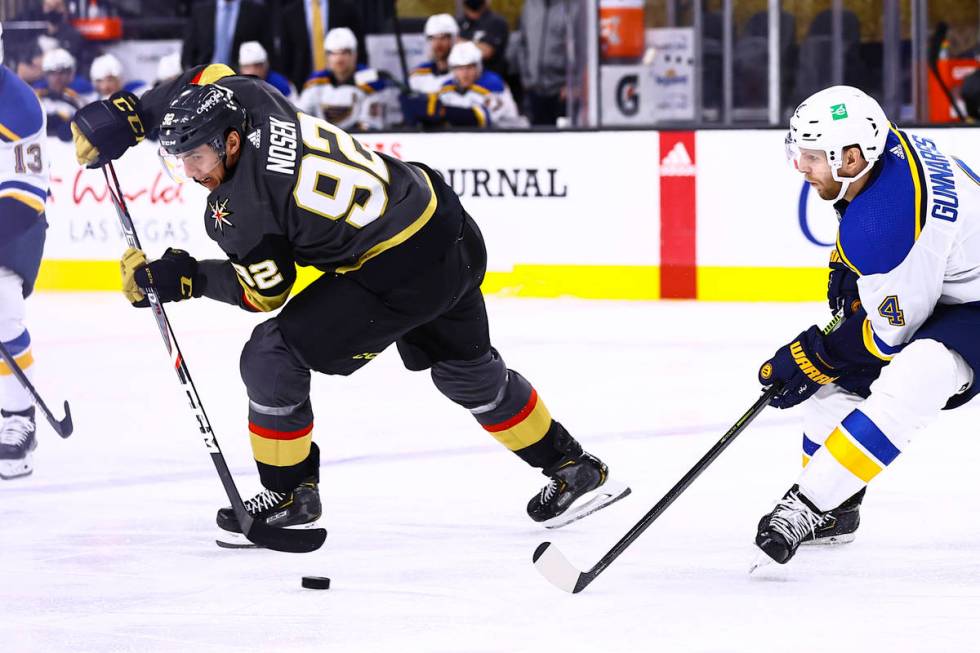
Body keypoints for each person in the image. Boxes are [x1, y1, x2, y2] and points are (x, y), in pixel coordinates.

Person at [68, 61, 630, 545]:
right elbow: (207, 77)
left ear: (231, 142)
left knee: (269, 355)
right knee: (467, 375)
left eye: (197, 157)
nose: (190, 173)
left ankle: (288, 494)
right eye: (178, 159)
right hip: (445, 221)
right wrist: (135, 111)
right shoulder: (251, 97)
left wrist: (185, 278)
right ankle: (571, 464)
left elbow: (264, 293)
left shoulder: (240, 209)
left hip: (400, 269)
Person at [754, 85, 980, 566]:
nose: (800, 167)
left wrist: (817, 354)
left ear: (851, 159)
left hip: (972, 303)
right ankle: (837, 510)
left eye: (812, 157)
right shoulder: (884, 148)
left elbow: (887, 335)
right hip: (946, 280)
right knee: (835, 381)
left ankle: (809, 505)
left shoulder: (883, 225)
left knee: (918, 373)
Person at [0, 25, 49, 480]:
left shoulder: (17, 103)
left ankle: (19, 418)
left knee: (2, 307)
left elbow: (26, 196)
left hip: (13, 225)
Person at [402, 41, 525, 129]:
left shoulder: (493, 84)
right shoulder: (447, 87)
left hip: (511, 138)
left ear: (478, 67)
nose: (465, 73)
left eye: (469, 67)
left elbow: (480, 119)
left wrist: (443, 111)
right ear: (453, 70)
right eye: (460, 68)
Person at [296, 28, 387, 131]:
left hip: (358, 141)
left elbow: (371, 124)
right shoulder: (316, 82)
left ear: (354, 54)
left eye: (344, 52)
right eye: (333, 53)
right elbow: (299, 115)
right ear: (327, 56)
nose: (339, 59)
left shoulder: (370, 82)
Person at [511, 0, 578, 126]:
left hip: (562, 92)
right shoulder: (529, 5)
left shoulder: (573, 6)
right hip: (533, 89)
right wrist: (526, 78)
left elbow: (581, 49)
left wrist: (572, 83)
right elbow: (522, 43)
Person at [278, 0, 365, 91]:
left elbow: (360, 50)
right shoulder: (289, 13)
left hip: (348, 86)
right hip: (301, 87)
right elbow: (285, 55)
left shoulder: (347, 8)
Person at [181, 0, 275, 70]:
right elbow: (188, 50)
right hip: (205, 76)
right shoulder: (200, 11)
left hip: (242, 78)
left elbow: (268, 49)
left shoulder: (256, 11)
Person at [35, 48, 86, 142]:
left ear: (71, 73)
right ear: (45, 75)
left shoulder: (79, 98)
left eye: (62, 72)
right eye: (52, 73)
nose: (57, 78)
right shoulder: (35, 97)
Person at [457, 0, 509, 79]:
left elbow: (487, 52)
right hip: (460, 80)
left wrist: (459, 43)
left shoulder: (497, 22)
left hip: (489, 81)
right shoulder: (457, 22)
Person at [409, 14, 458, 94]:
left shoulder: (464, 74)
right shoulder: (417, 74)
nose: (438, 44)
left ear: (453, 39)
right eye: (432, 38)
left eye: (443, 37)